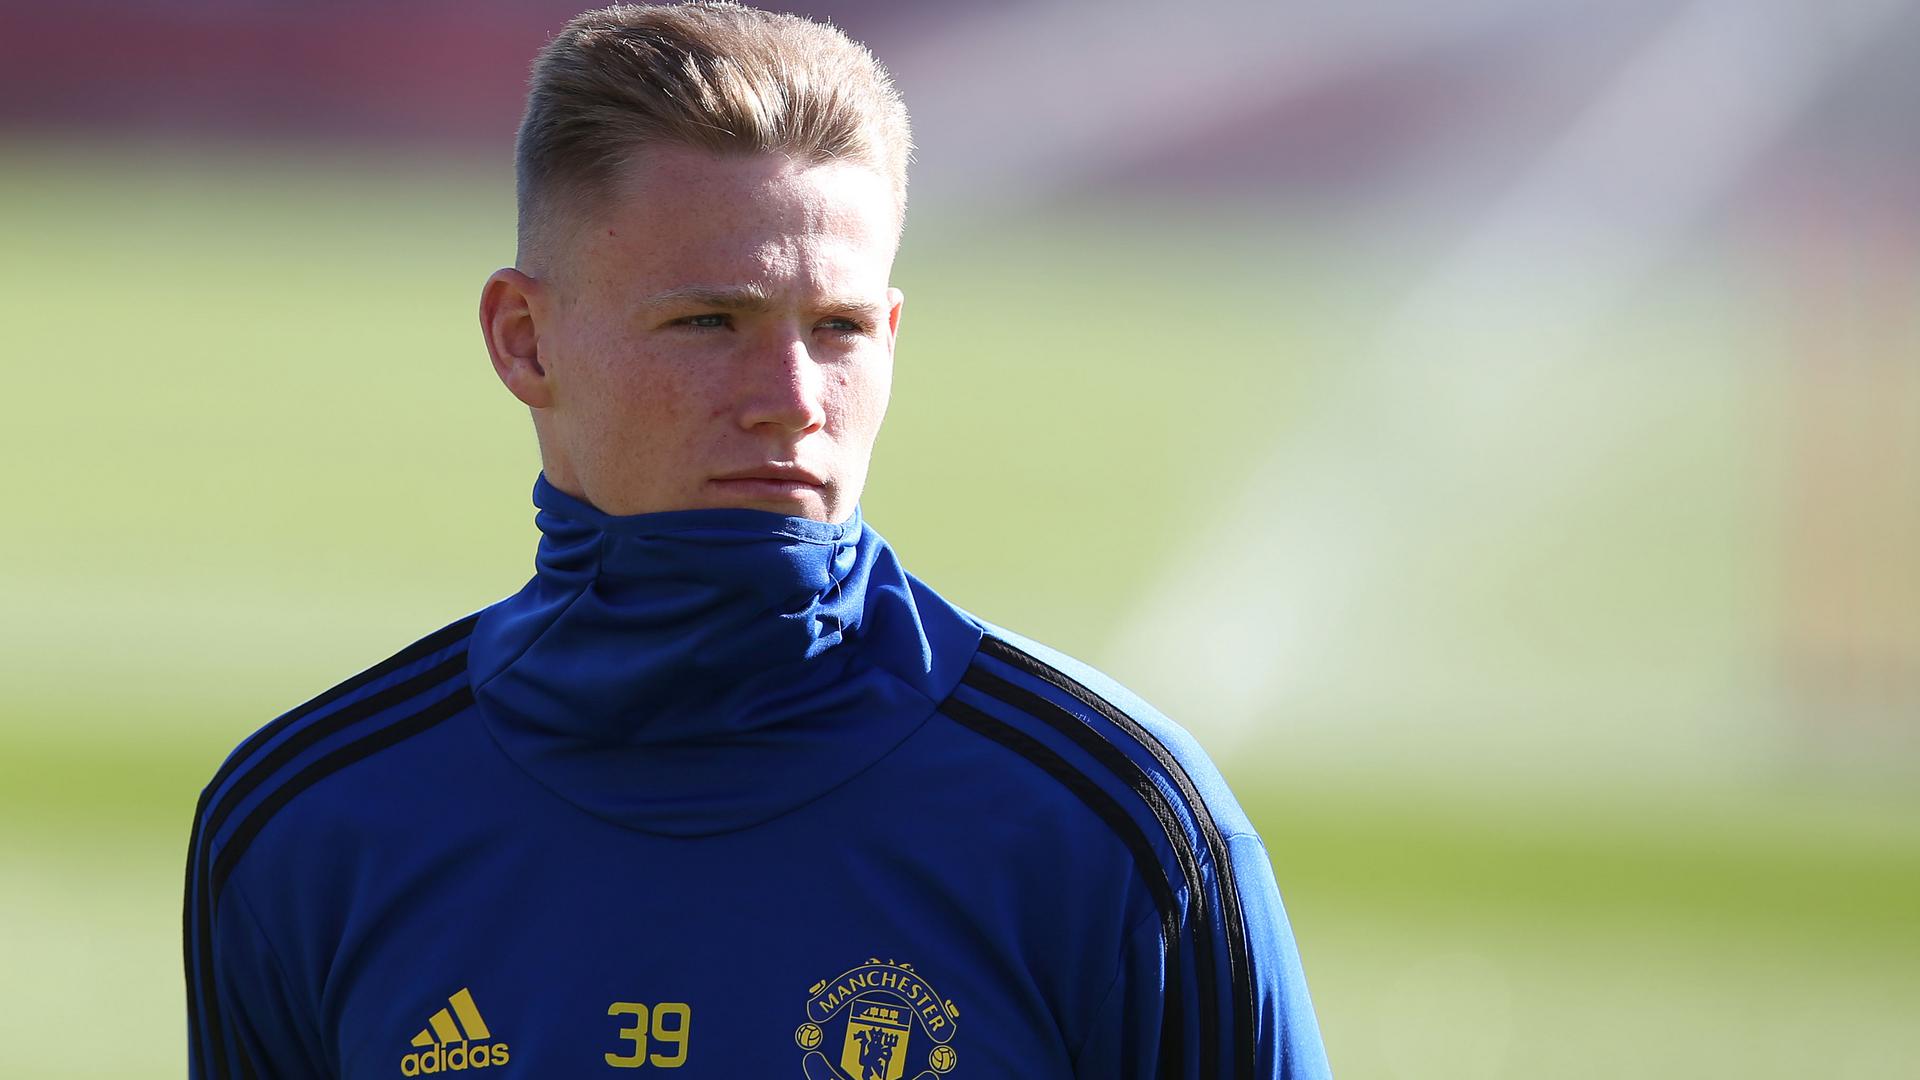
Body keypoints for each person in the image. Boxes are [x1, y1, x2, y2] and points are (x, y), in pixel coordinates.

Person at [182, 3, 1331, 1078]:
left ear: (891, 336)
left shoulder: (1118, 822)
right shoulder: (305, 827)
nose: (791, 400)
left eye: (837, 329)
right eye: (708, 320)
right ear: (524, 339)